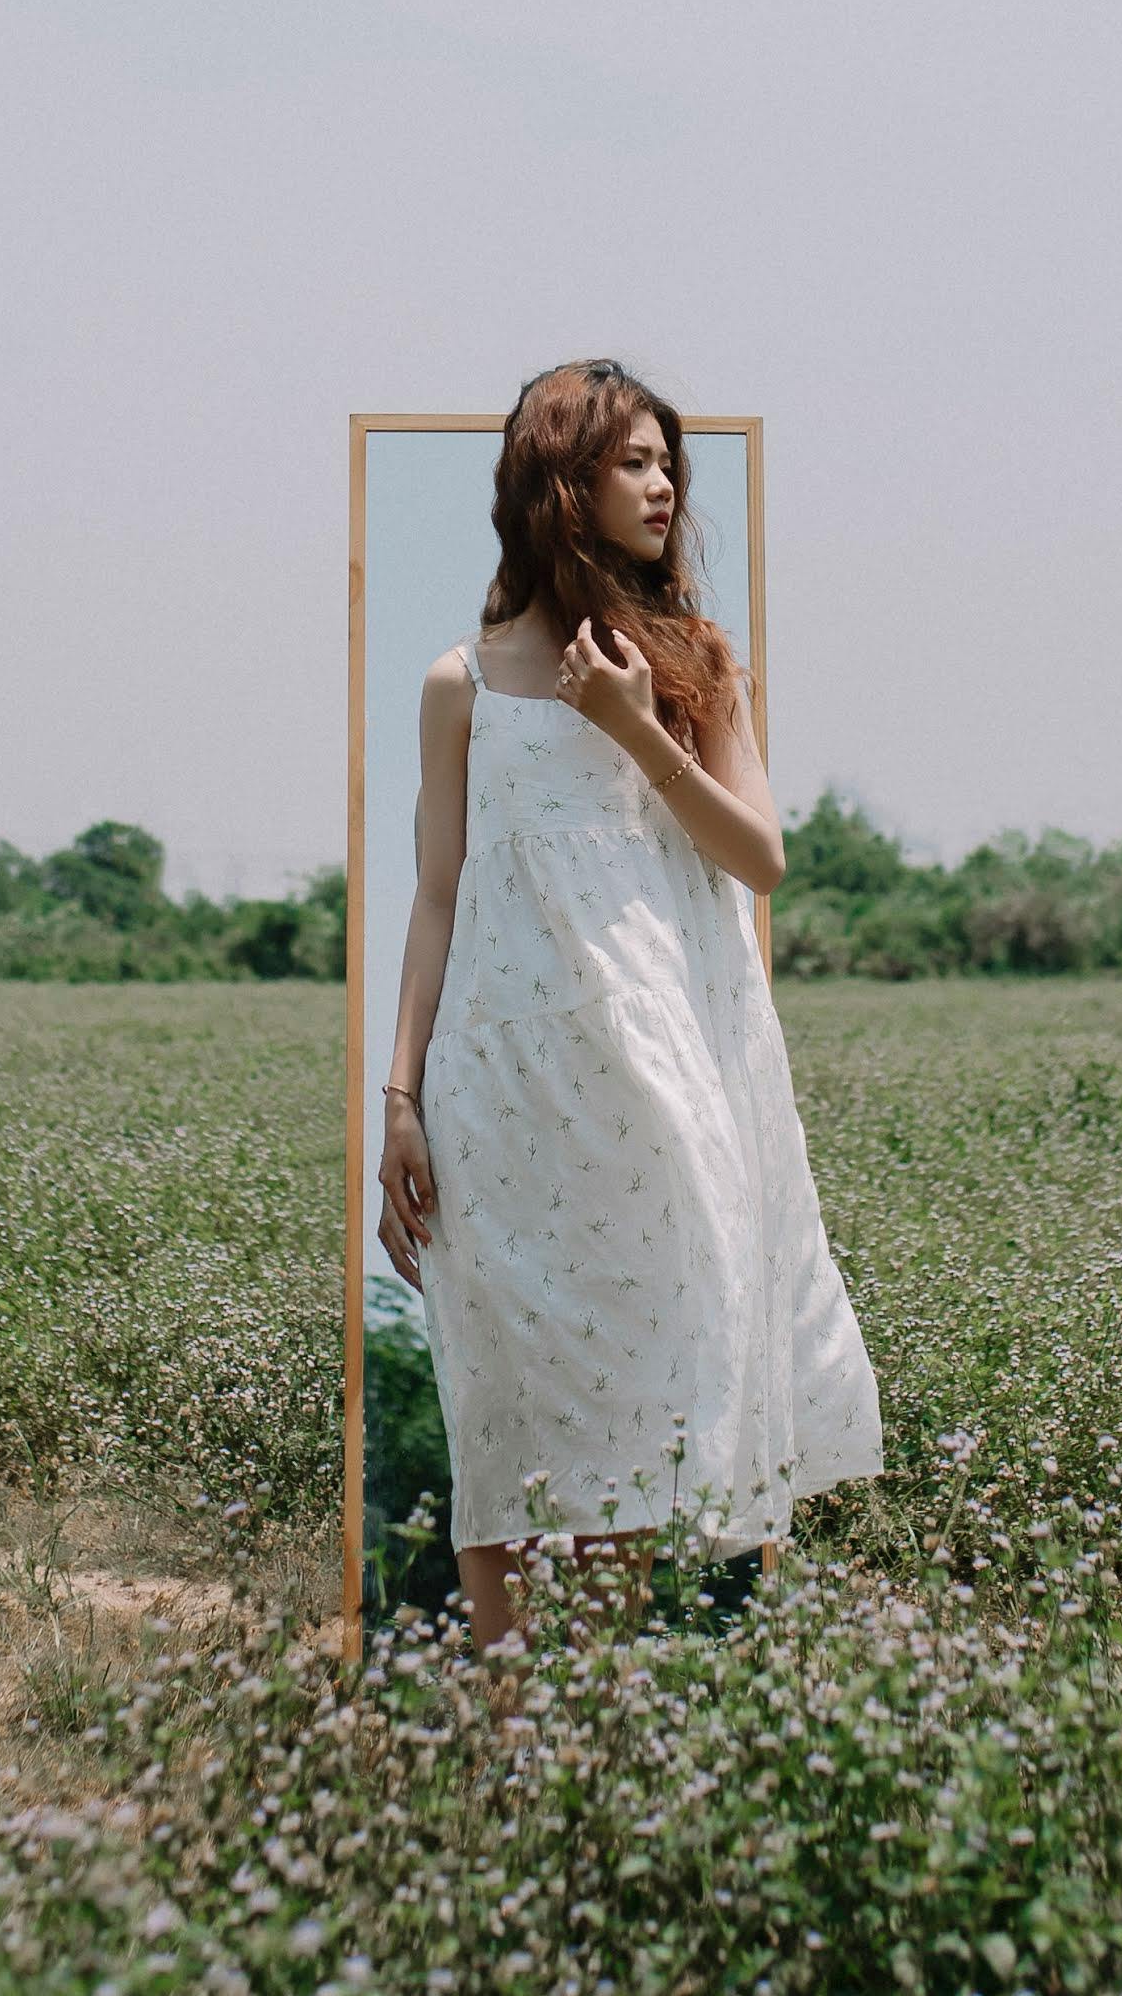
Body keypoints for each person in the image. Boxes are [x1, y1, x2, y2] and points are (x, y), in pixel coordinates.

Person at [374, 359, 882, 1645]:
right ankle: (509, 1732)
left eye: (669, 466)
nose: (662, 487)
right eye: (634, 463)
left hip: (662, 1082)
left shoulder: (695, 658)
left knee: (639, 1393)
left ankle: (587, 1718)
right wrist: (397, 1100)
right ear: (561, 482)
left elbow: (757, 858)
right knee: (502, 1394)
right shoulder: (460, 684)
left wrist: (630, 721)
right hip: (498, 1093)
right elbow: (435, 898)